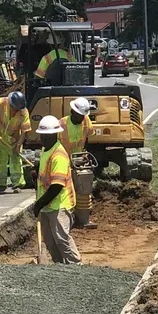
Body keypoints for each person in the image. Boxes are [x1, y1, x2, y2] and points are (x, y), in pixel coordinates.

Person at [33, 115, 81, 265]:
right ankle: (59, 267)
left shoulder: (58, 154)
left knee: (61, 239)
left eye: (47, 136)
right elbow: (46, 175)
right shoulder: (45, 150)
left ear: (55, 135)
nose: (43, 138)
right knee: (50, 241)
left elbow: (57, 186)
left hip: (60, 204)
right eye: (42, 135)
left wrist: (39, 203)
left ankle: (75, 265)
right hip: (48, 205)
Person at [0, 91, 31, 194]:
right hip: (0, 137)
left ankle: (17, 184)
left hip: (15, 140)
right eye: (15, 108)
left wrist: (18, 145)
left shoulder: (24, 112)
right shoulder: (2, 102)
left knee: (16, 162)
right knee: (0, 161)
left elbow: (24, 131)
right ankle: (1, 184)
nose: (16, 110)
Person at [59, 97, 97, 229]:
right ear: (72, 112)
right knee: (66, 191)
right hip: (64, 161)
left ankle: (83, 218)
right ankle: (67, 218)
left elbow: (87, 137)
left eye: (83, 116)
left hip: (79, 159)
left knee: (84, 186)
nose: (81, 118)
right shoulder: (62, 124)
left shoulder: (86, 121)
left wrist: (84, 154)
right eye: (79, 115)